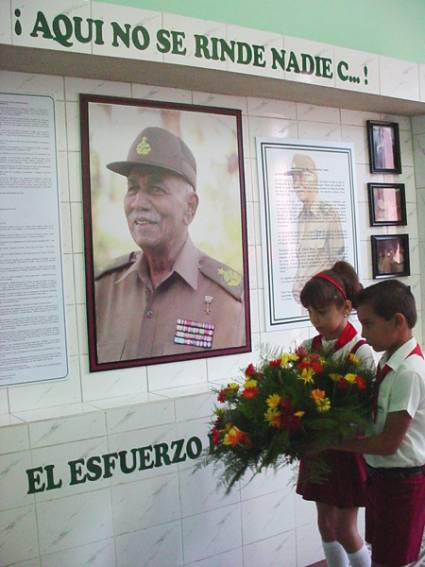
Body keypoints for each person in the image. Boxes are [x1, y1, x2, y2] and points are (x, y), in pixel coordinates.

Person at [95, 126, 246, 363]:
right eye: (132, 188)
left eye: (156, 189)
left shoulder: (228, 300)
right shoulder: (104, 289)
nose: (138, 203)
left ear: (190, 207)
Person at [335, 280, 425, 567]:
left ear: (397, 321)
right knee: (383, 555)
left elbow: (388, 443)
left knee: (395, 560)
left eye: (369, 324)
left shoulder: (408, 371)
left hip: (402, 483)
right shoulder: (389, 360)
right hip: (383, 480)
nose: (363, 333)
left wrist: (334, 442)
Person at [296, 261, 374, 567]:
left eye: (322, 312)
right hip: (319, 449)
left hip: (347, 449)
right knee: (325, 525)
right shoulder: (307, 348)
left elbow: (364, 409)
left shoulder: (360, 351)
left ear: (345, 308)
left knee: (344, 527)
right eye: (311, 313)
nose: (315, 320)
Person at [287, 154, 345, 303]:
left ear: (313, 177)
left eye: (302, 177)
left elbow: (338, 264)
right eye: (294, 179)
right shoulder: (300, 218)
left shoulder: (329, 215)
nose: (297, 184)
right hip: (306, 303)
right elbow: (304, 262)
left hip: (324, 303)